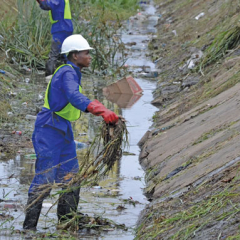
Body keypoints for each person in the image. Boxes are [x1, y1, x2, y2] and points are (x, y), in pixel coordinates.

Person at [23, 34, 119, 230]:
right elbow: (74, 97)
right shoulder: (67, 72)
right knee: (45, 180)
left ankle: (66, 221)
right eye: (86, 53)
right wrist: (101, 109)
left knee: (71, 177)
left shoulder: (73, 71)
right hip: (49, 129)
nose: (89, 56)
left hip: (62, 129)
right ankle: (28, 229)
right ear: (74, 56)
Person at [36, 0, 73, 76]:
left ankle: (49, 77)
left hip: (61, 27)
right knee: (62, 54)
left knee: (54, 55)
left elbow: (48, 5)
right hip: (64, 27)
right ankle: (69, 74)